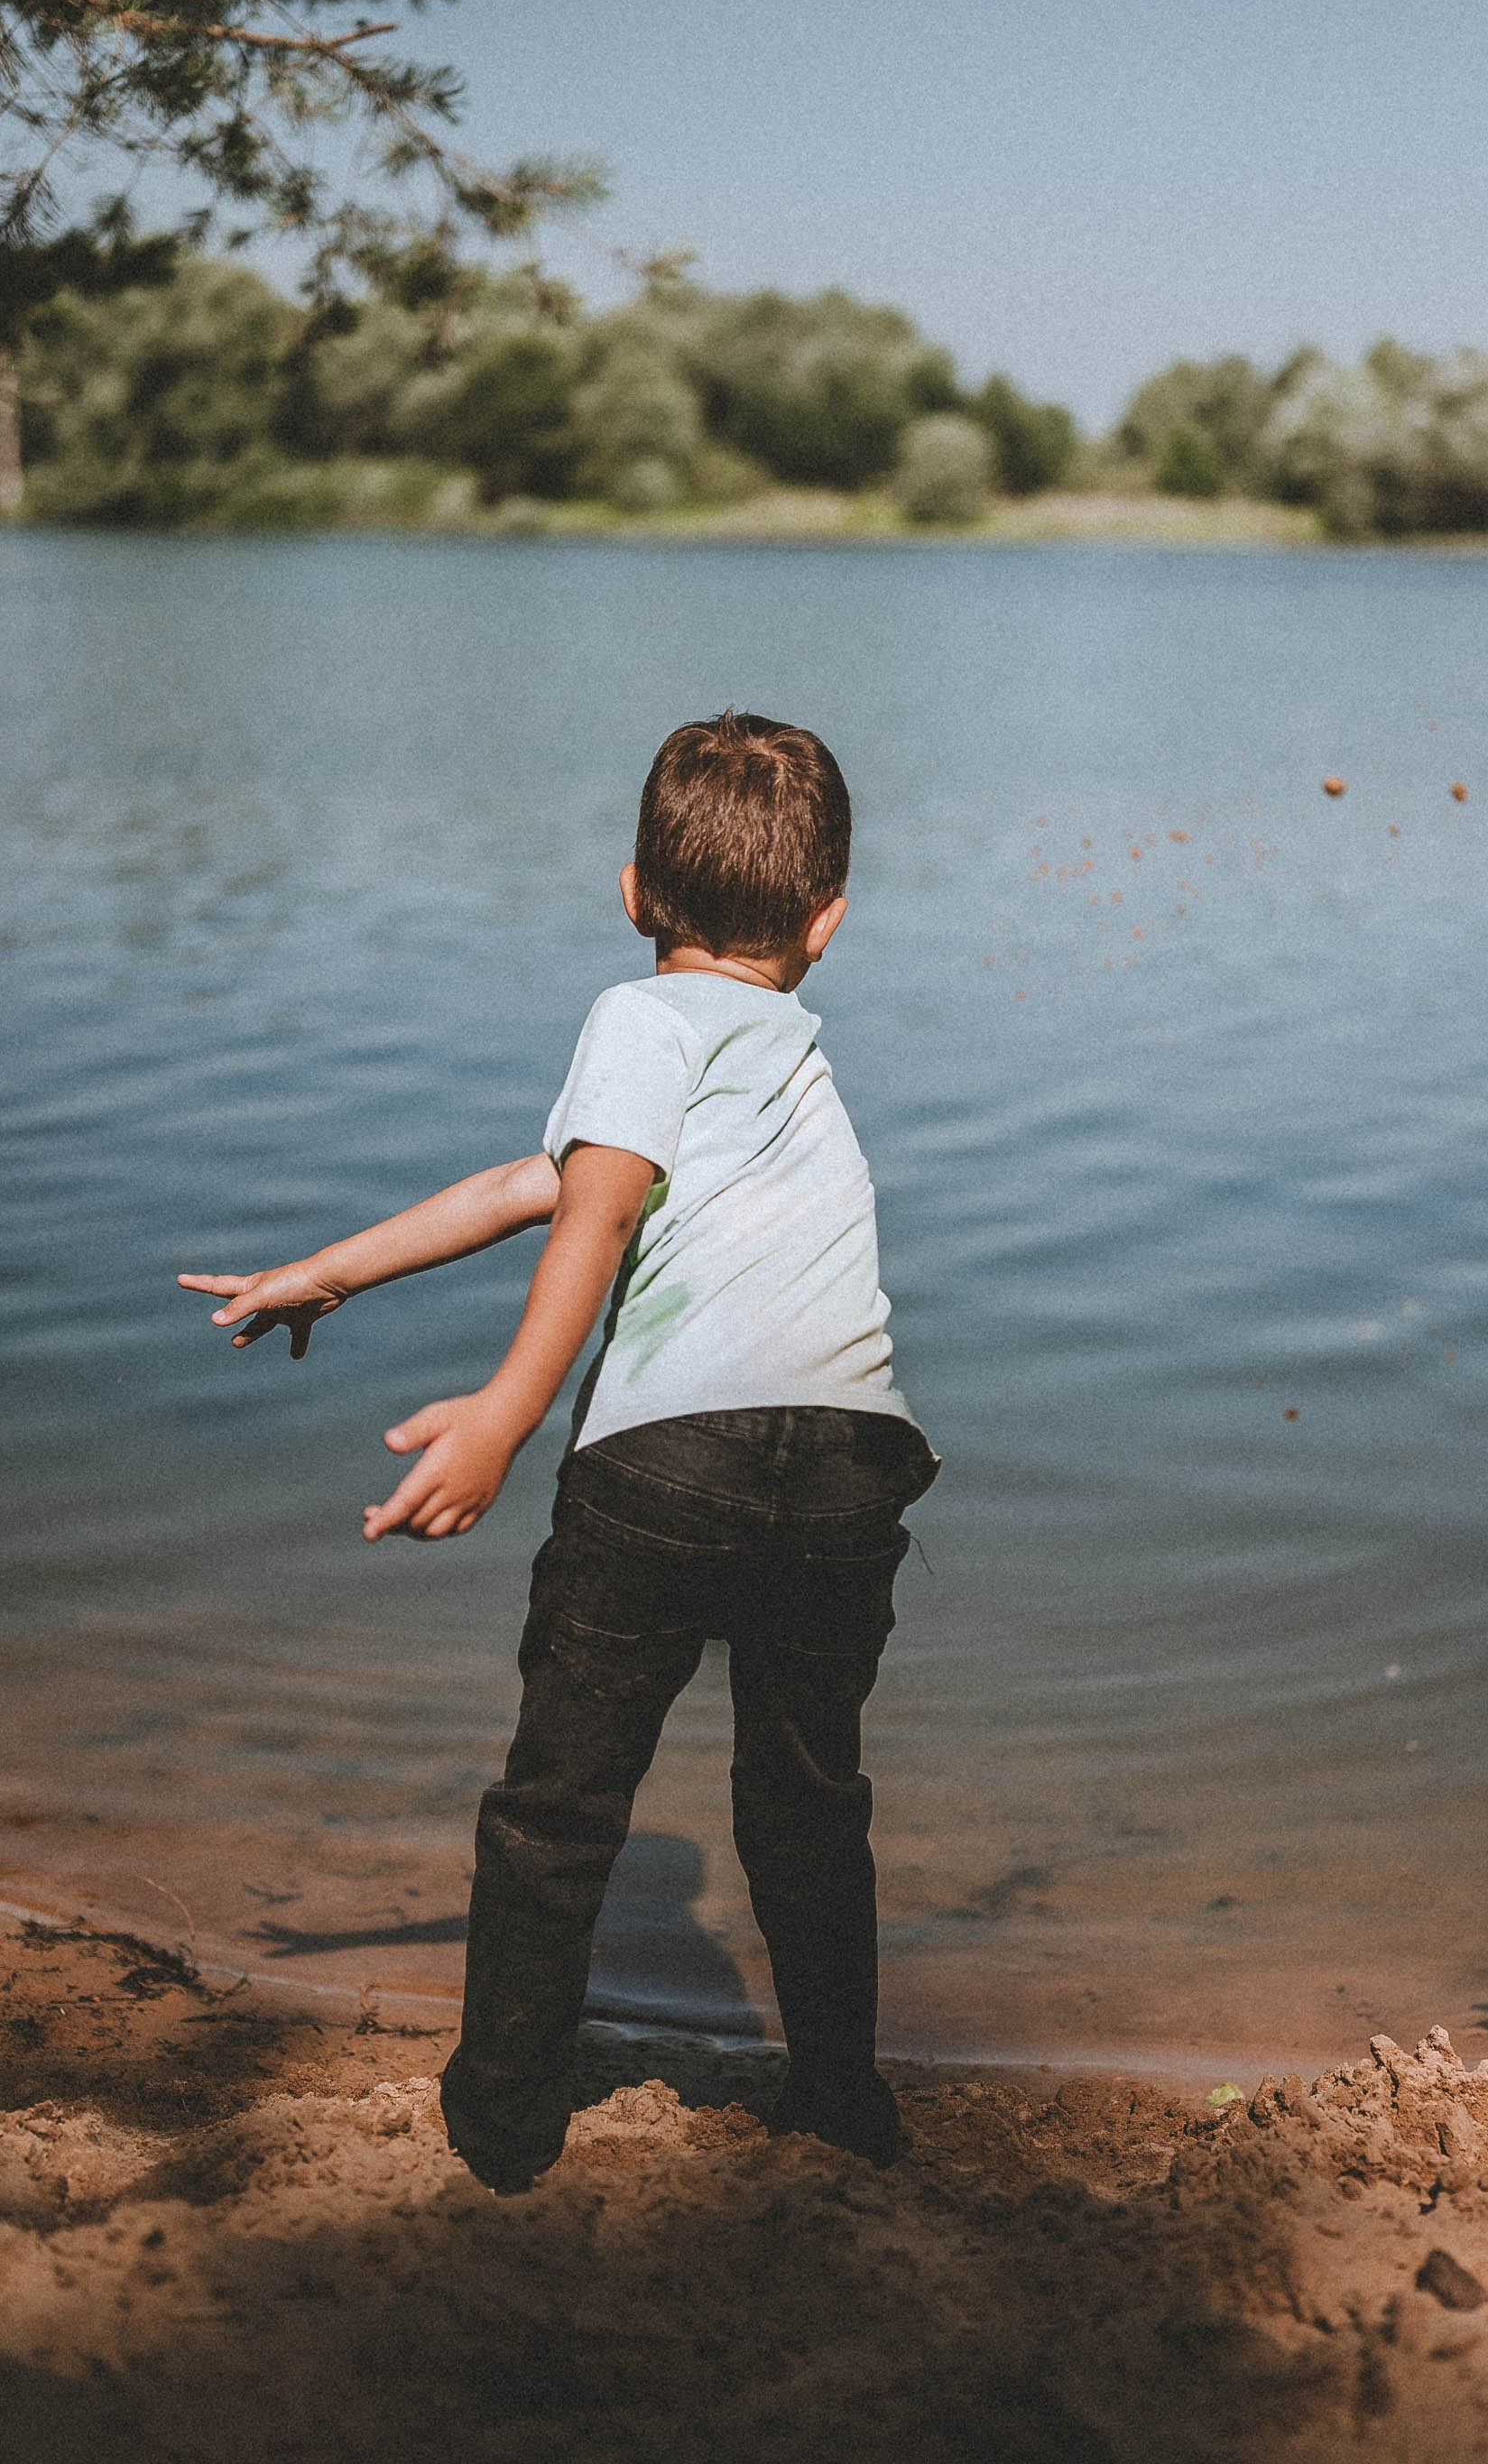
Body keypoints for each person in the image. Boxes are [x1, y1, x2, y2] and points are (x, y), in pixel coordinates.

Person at [180, 712, 937, 2185]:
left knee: (558, 1806)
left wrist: (500, 1419)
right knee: (806, 1799)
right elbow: (534, 1180)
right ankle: (843, 2102)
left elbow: (587, 1214)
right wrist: (333, 1267)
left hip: (670, 1466)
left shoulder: (637, 1018)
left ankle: (505, 2127)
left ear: (632, 893)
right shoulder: (787, 1057)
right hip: (851, 1461)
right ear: (828, 924)